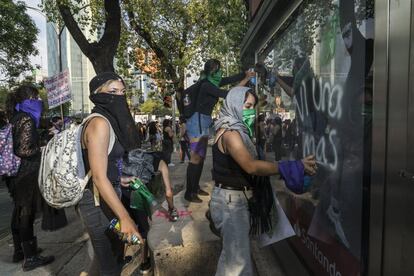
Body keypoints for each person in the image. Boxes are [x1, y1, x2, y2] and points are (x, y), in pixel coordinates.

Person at [210, 87, 316, 275]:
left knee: (232, 259)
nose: (250, 111)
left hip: (234, 200)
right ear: (234, 104)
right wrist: (291, 166)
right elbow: (251, 166)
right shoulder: (231, 134)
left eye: (253, 107)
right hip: (231, 204)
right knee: (238, 265)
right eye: (247, 106)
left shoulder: (236, 130)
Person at [78, 72, 143, 275]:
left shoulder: (107, 122)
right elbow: (98, 177)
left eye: (123, 92)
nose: (119, 97)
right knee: (111, 263)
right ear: (97, 95)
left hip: (106, 196)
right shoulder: (99, 124)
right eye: (113, 91)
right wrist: (125, 217)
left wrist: (119, 179)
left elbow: (102, 167)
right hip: (96, 204)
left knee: (109, 257)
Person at [185, 59, 255, 203]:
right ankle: (189, 192)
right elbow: (228, 94)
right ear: (211, 71)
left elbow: (230, 79)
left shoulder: (211, 82)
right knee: (196, 158)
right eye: (217, 70)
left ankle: (195, 188)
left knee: (201, 157)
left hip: (203, 120)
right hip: (196, 121)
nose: (220, 73)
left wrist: (245, 74)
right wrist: (246, 79)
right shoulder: (206, 85)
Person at [5, 85, 55, 271]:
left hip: (16, 174)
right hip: (26, 173)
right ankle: (31, 257)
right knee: (26, 213)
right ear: (29, 99)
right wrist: (43, 148)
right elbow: (23, 149)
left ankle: (20, 251)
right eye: (36, 96)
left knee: (18, 212)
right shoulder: (26, 118)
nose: (39, 100)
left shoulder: (17, 116)